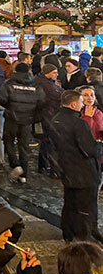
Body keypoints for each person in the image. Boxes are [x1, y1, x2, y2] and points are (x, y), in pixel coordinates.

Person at [49, 90, 103, 243]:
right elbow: (90, 149)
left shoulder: (56, 119)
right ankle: (85, 236)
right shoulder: (78, 123)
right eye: (81, 101)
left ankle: (68, 233)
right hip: (84, 172)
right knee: (87, 206)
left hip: (67, 169)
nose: (83, 104)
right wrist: (99, 145)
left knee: (70, 203)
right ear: (74, 104)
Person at [0, 63, 46, 183]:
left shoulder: (9, 83)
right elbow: (42, 101)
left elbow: (2, 98)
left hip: (11, 119)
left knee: (8, 141)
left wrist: (10, 106)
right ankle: (24, 174)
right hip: (27, 120)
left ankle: (15, 165)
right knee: (23, 146)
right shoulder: (36, 85)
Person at [35, 64, 63, 175]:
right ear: (48, 73)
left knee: (47, 141)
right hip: (48, 115)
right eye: (54, 73)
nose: (57, 75)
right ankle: (48, 167)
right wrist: (60, 89)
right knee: (49, 141)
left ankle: (44, 165)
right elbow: (58, 95)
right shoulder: (45, 84)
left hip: (46, 114)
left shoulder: (43, 81)